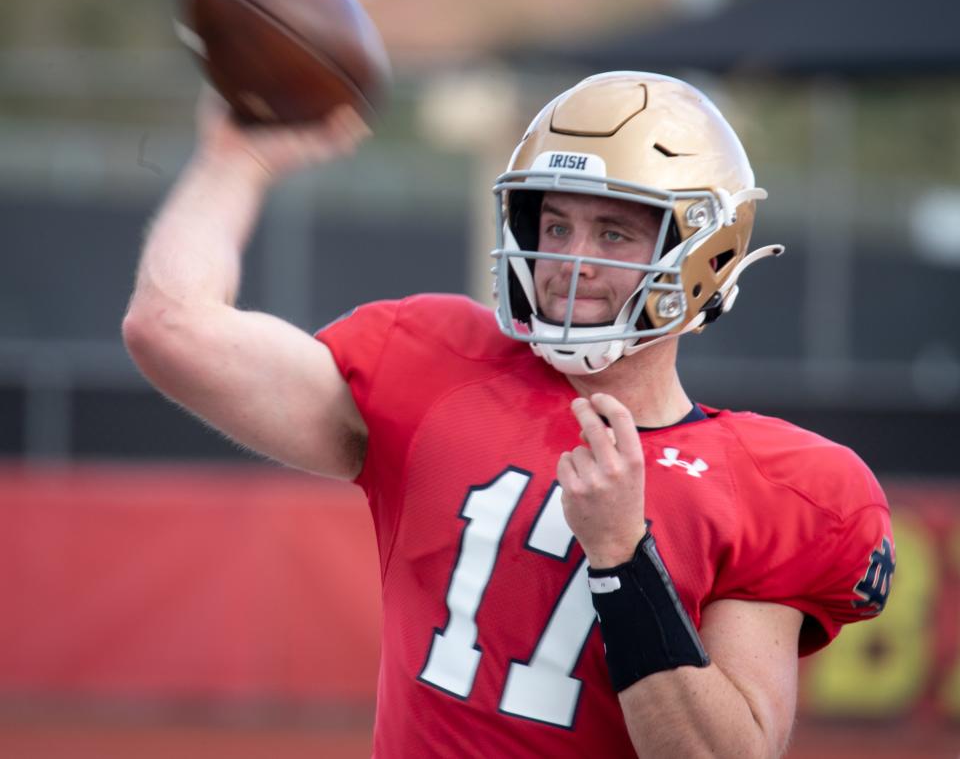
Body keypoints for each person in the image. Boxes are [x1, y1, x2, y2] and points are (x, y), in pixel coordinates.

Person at [123, 71, 895, 758]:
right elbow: (172, 329)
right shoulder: (440, 367)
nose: (571, 261)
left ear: (704, 252)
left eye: (615, 231)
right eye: (555, 225)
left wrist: (624, 558)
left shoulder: (775, 486)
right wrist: (235, 160)